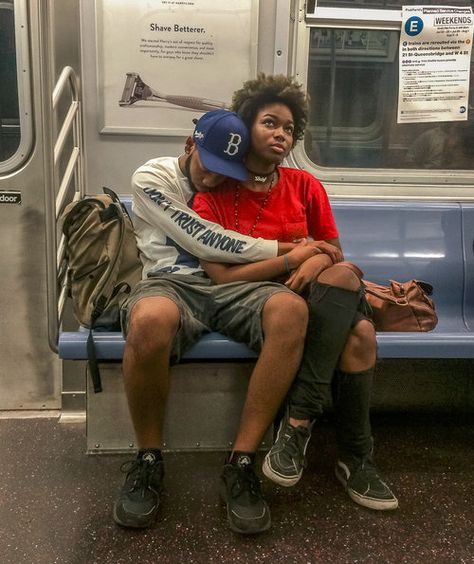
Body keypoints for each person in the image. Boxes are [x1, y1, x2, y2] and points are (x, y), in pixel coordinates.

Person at [192, 74, 399, 511]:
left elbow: (334, 251)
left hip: (319, 295)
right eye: (270, 123)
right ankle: (349, 451)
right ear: (245, 127)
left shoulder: (306, 186)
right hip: (257, 301)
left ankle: (304, 429)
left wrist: (316, 259)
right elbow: (221, 274)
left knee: (343, 281)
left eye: (289, 128)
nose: (281, 135)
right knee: (359, 335)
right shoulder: (213, 192)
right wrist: (296, 258)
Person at [113, 108, 322, 534]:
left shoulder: (232, 180)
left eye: (226, 170)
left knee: (290, 311)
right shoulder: (151, 177)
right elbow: (201, 237)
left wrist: (307, 253)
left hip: (232, 286)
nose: (213, 179)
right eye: (208, 167)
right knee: (149, 320)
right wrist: (287, 252)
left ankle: (241, 462)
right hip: (172, 283)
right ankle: (149, 459)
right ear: (190, 145)